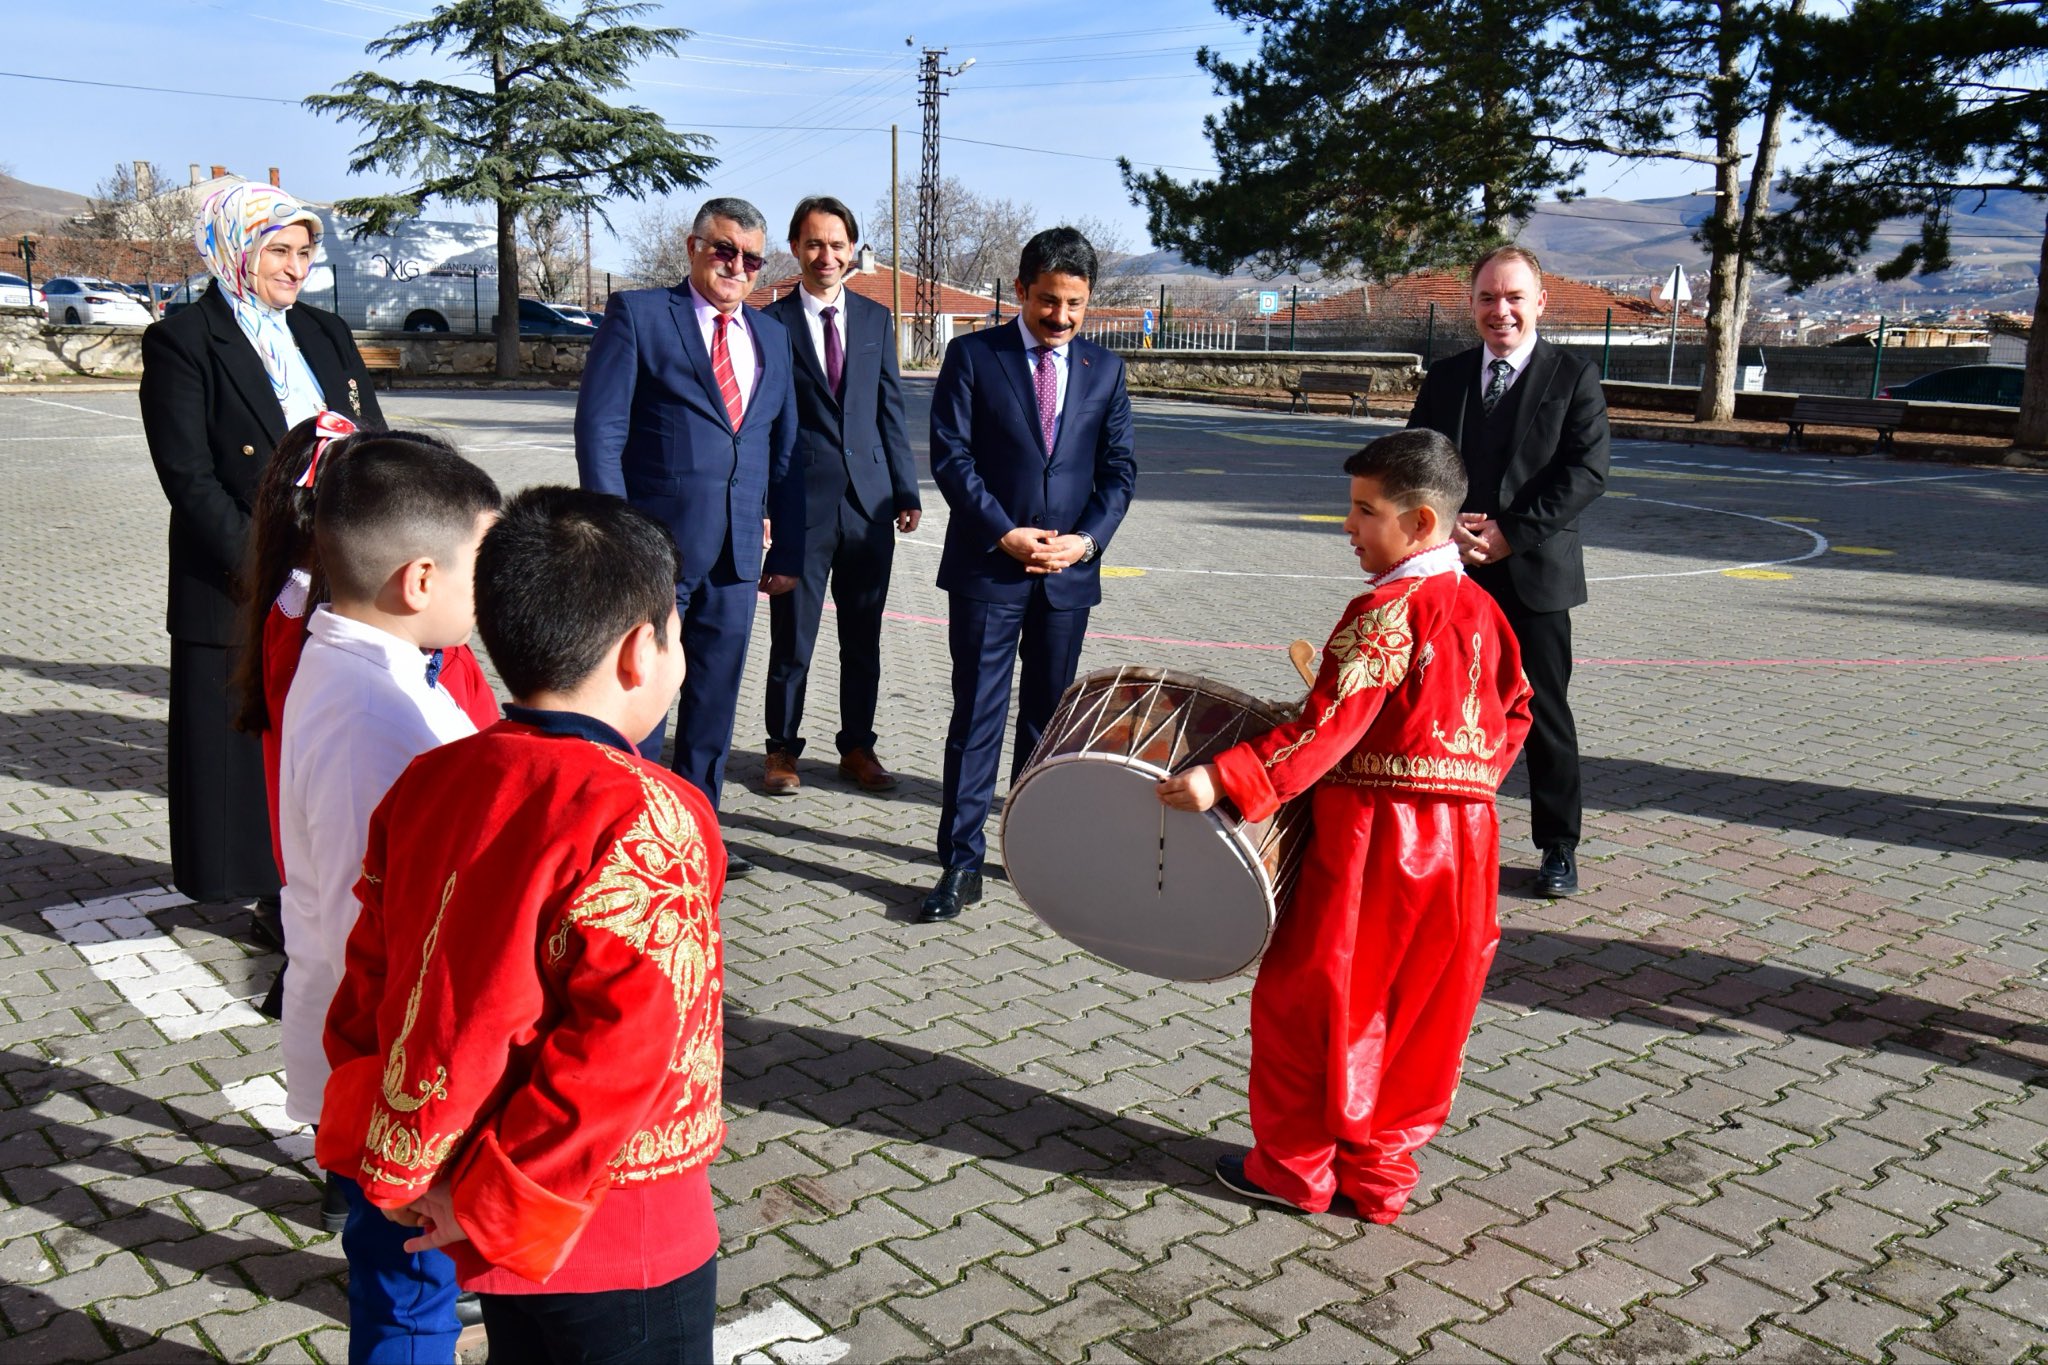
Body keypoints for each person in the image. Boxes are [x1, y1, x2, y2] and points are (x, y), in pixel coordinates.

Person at [318, 486, 724, 1365]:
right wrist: (499, 1199)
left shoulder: (431, 781)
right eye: (676, 636)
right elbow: (620, 1049)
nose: (682, 662)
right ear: (636, 651)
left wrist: (394, 1159)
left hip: (465, 1195)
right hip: (614, 1225)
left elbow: (374, 984)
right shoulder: (649, 811)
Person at [1158, 430, 1533, 1221]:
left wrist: (1224, 776)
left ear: (1423, 522)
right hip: (1466, 843)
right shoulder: (1483, 607)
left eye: (1366, 511)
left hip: (1376, 842)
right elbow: (1520, 709)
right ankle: (1378, 1177)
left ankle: (1294, 1170)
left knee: (1313, 1000)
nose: (1350, 527)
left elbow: (1325, 728)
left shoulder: (1386, 610)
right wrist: (1462, 776)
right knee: (1424, 1011)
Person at [278, 434, 501, 1358]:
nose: (487, 592)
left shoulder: (358, 668)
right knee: (409, 1295)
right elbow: (390, 927)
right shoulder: (385, 720)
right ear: (419, 579)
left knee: (396, 1273)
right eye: (479, 565)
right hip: (397, 1075)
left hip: (373, 1058)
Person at [139, 178, 384, 920]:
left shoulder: (324, 331)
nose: (295, 267)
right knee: (249, 757)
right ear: (234, 249)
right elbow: (190, 477)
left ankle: (324, 891)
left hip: (337, 571)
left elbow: (372, 436)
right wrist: (267, 569)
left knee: (327, 745)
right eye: (278, 250)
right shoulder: (183, 340)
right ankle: (277, 903)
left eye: (304, 252)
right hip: (240, 581)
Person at [575, 195, 803, 880]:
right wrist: (614, 537)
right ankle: (631, 842)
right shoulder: (642, 316)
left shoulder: (773, 337)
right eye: (725, 249)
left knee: (713, 702)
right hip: (654, 554)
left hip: (737, 558)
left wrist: (783, 544)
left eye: (752, 258)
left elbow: (783, 450)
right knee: (639, 699)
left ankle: (693, 838)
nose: (737, 265)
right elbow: (601, 431)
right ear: (693, 246)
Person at [921, 226, 1138, 923]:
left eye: (1076, 304)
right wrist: (1004, 531)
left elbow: (1119, 471)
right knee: (979, 716)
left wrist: (1086, 541)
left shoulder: (1105, 371)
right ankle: (960, 859)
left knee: (1048, 722)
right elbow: (952, 457)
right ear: (1020, 290)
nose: (1063, 318)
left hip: (1066, 577)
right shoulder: (973, 357)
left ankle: (1030, 850)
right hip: (991, 567)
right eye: (1049, 301)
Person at [1407, 245, 1609, 898]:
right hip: (1454, 574)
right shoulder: (1446, 379)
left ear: (1540, 303)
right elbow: (1417, 462)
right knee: (1442, 709)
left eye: (1515, 297)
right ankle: (1443, 838)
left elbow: (1585, 472)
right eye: (1489, 298)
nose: (1503, 311)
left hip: (1536, 577)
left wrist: (1509, 535)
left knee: (1545, 715)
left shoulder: (1573, 376)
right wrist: (1447, 525)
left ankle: (1557, 848)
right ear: (1471, 305)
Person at [758, 195, 921, 794]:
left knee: (863, 637)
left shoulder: (877, 320)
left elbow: (890, 411)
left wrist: (906, 489)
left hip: (870, 506)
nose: (826, 255)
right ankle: (781, 750)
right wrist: (768, 506)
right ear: (796, 248)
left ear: (853, 249)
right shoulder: (769, 325)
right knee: (792, 640)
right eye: (814, 243)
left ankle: (858, 746)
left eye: (837, 244)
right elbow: (765, 422)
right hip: (800, 508)